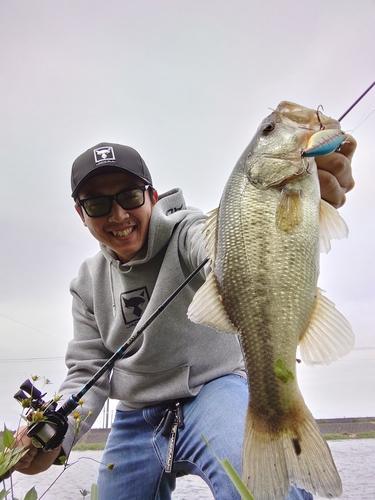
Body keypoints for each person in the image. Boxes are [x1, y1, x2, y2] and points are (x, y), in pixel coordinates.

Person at [11, 137, 356, 500]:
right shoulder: (86, 283)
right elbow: (87, 372)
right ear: (81, 214)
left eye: (129, 196)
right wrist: (52, 441)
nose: (117, 216)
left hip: (215, 388)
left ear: (153, 197)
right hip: (135, 416)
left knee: (256, 485)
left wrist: (280, 210)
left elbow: (220, 254)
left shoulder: (188, 230)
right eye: (97, 204)